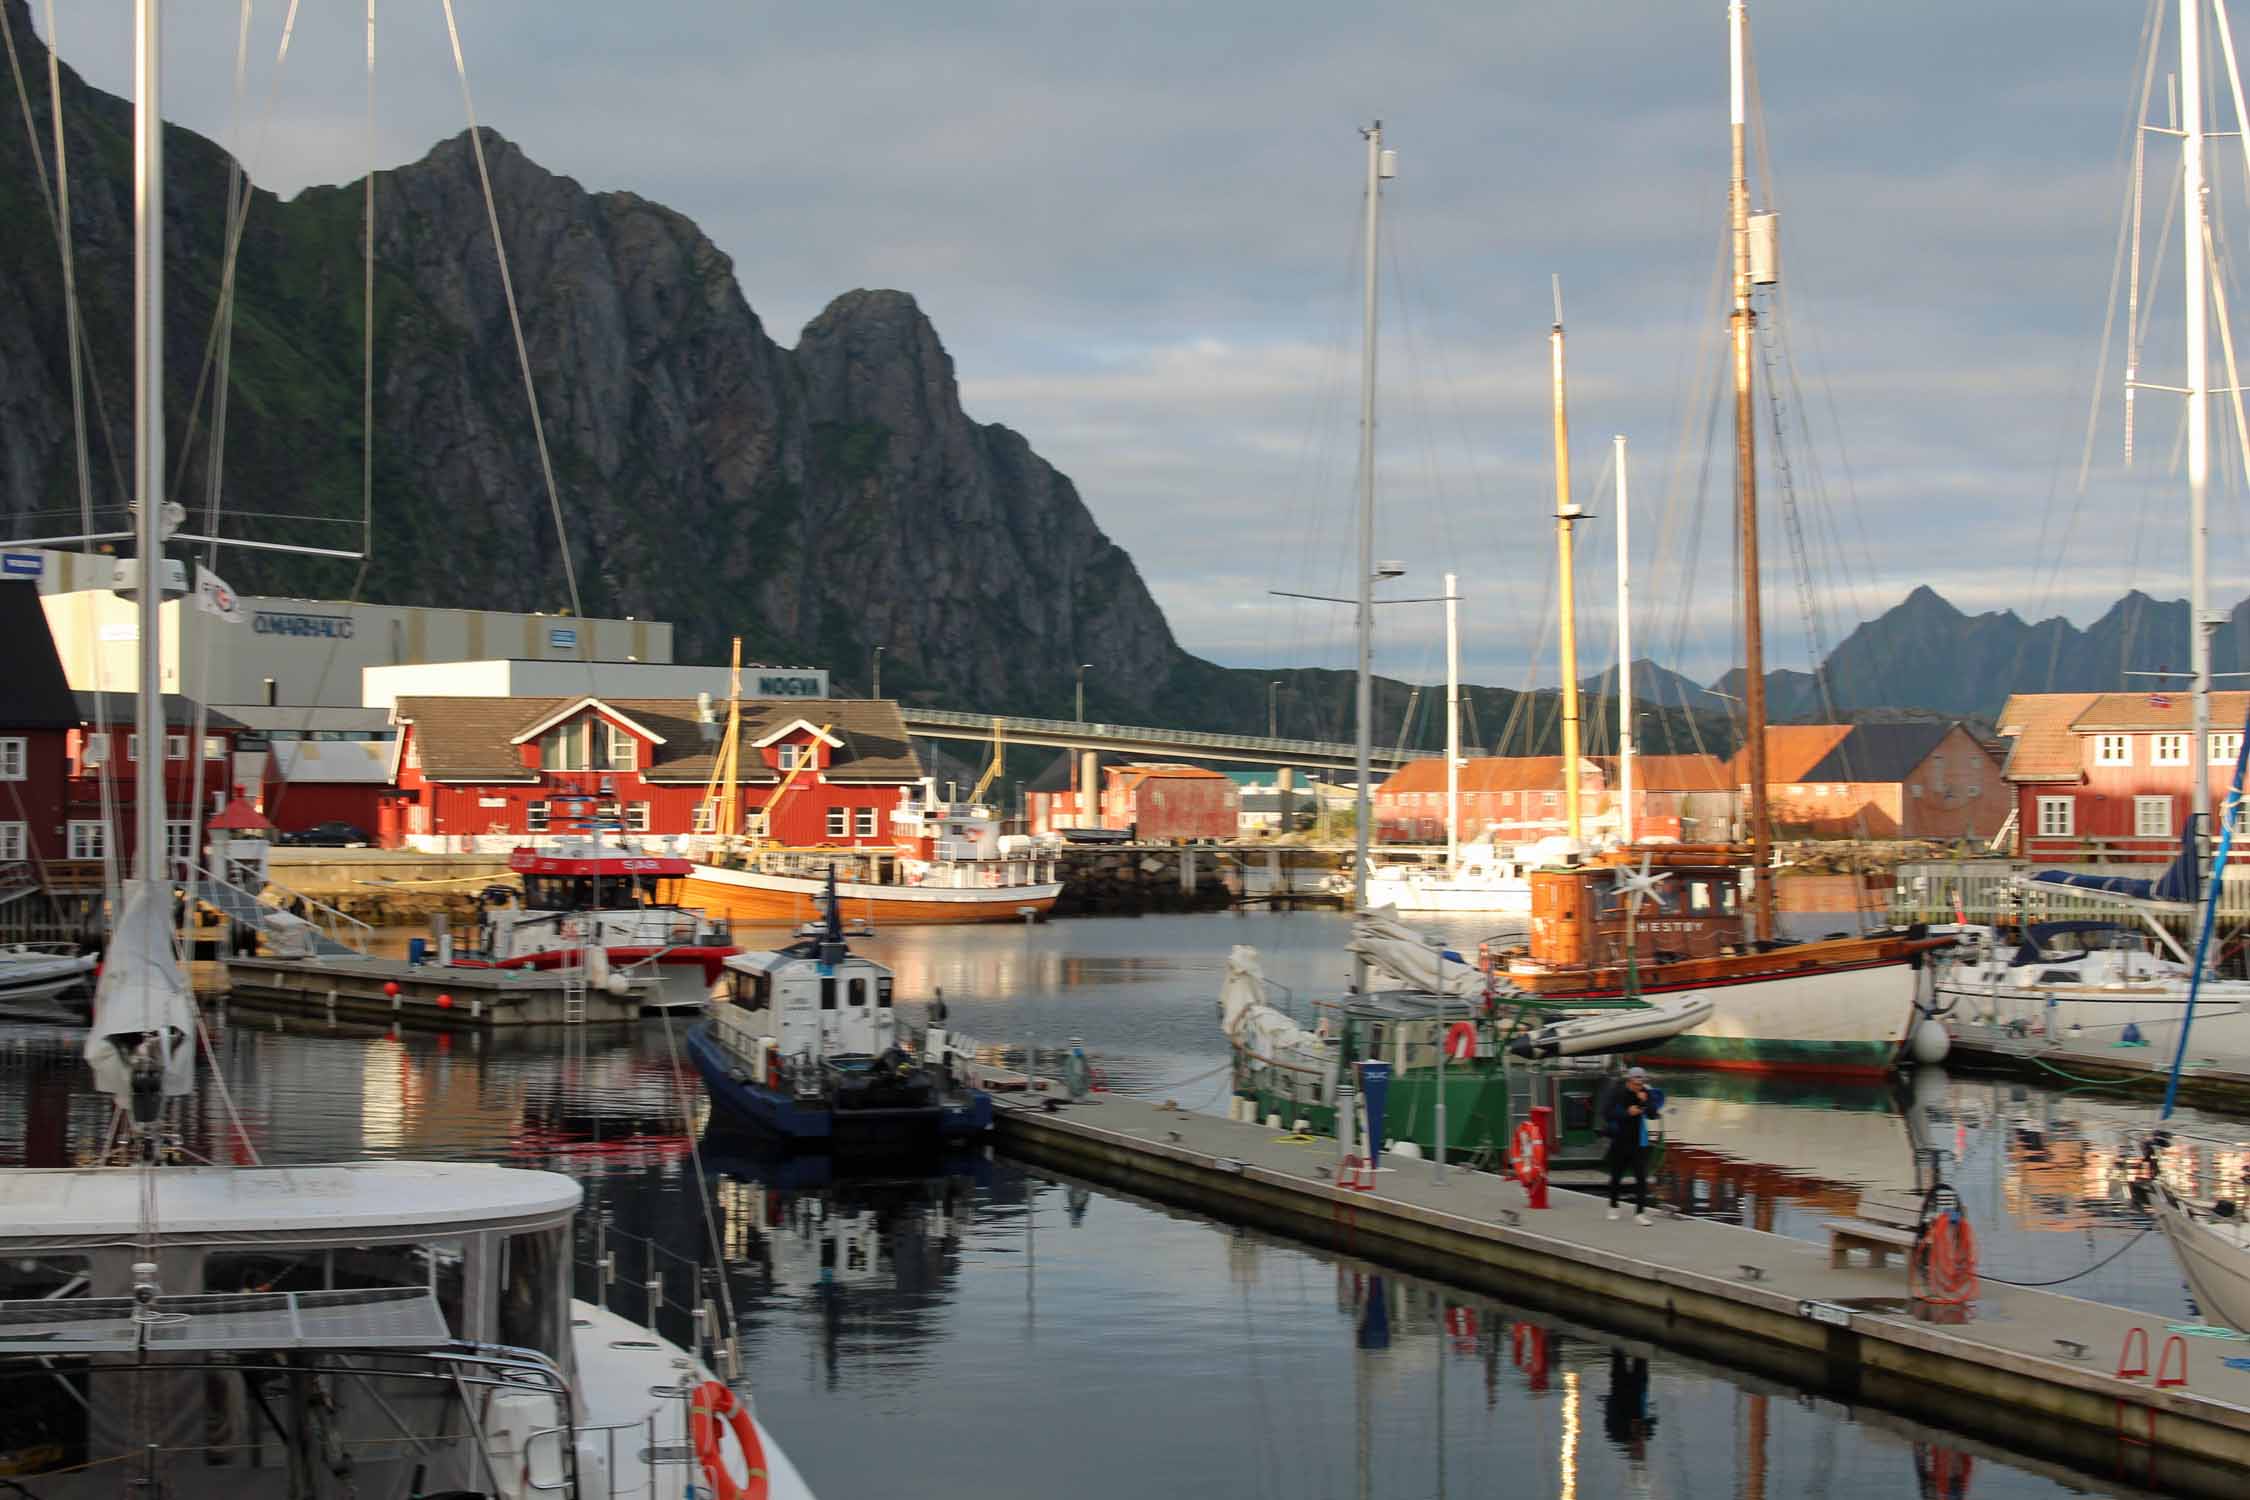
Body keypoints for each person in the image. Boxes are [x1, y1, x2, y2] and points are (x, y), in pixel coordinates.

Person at [1602, 1065, 1664, 1225]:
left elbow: (1652, 1114)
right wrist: (1626, 1113)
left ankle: (1640, 1213)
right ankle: (1613, 1206)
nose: (1639, 1086)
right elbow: (1606, 1113)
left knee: (1641, 1178)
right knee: (1616, 1175)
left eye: (1641, 1083)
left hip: (1639, 1141)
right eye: (1636, 1083)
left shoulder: (1645, 1092)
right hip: (1620, 1139)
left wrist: (1646, 1101)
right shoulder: (1617, 1093)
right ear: (1629, 1081)